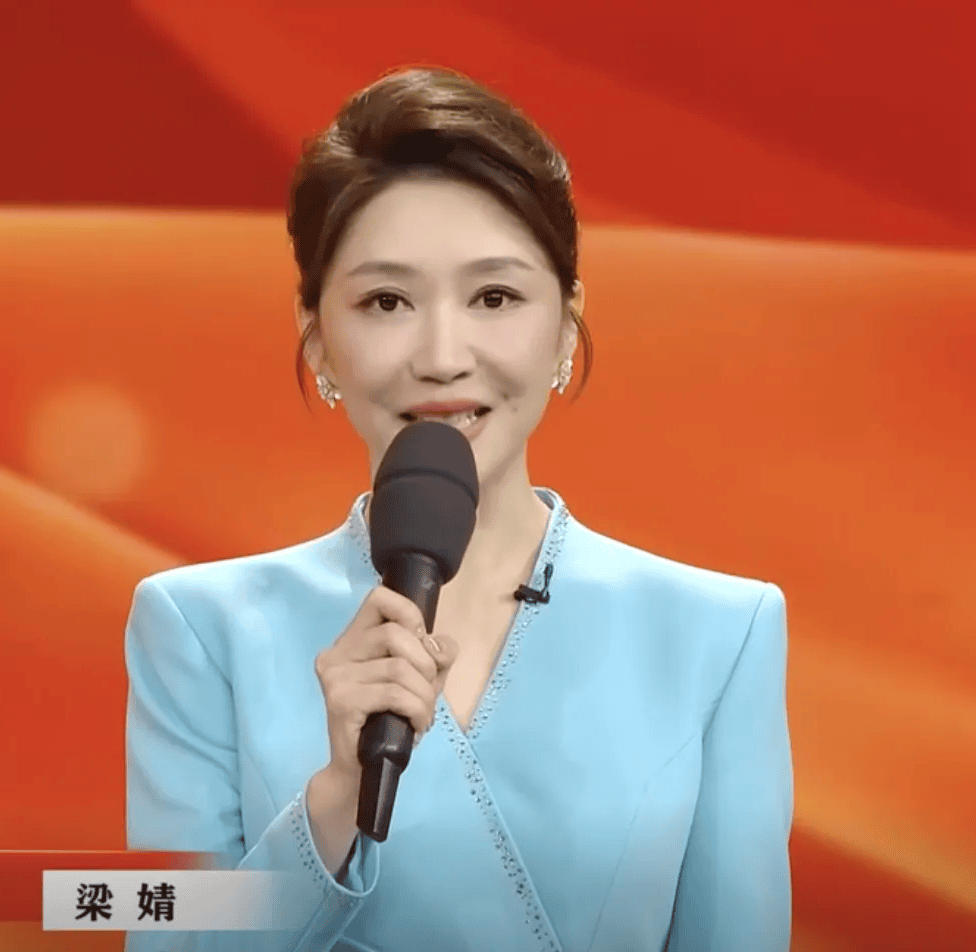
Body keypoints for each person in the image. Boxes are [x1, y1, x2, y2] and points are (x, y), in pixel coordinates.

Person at [124, 66, 791, 952]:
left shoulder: (719, 632)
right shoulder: (201, 629)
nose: (442, 356)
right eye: (386, 301)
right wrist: (331, 804)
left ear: (566, 324)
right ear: (316, 336)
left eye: (494, 297)